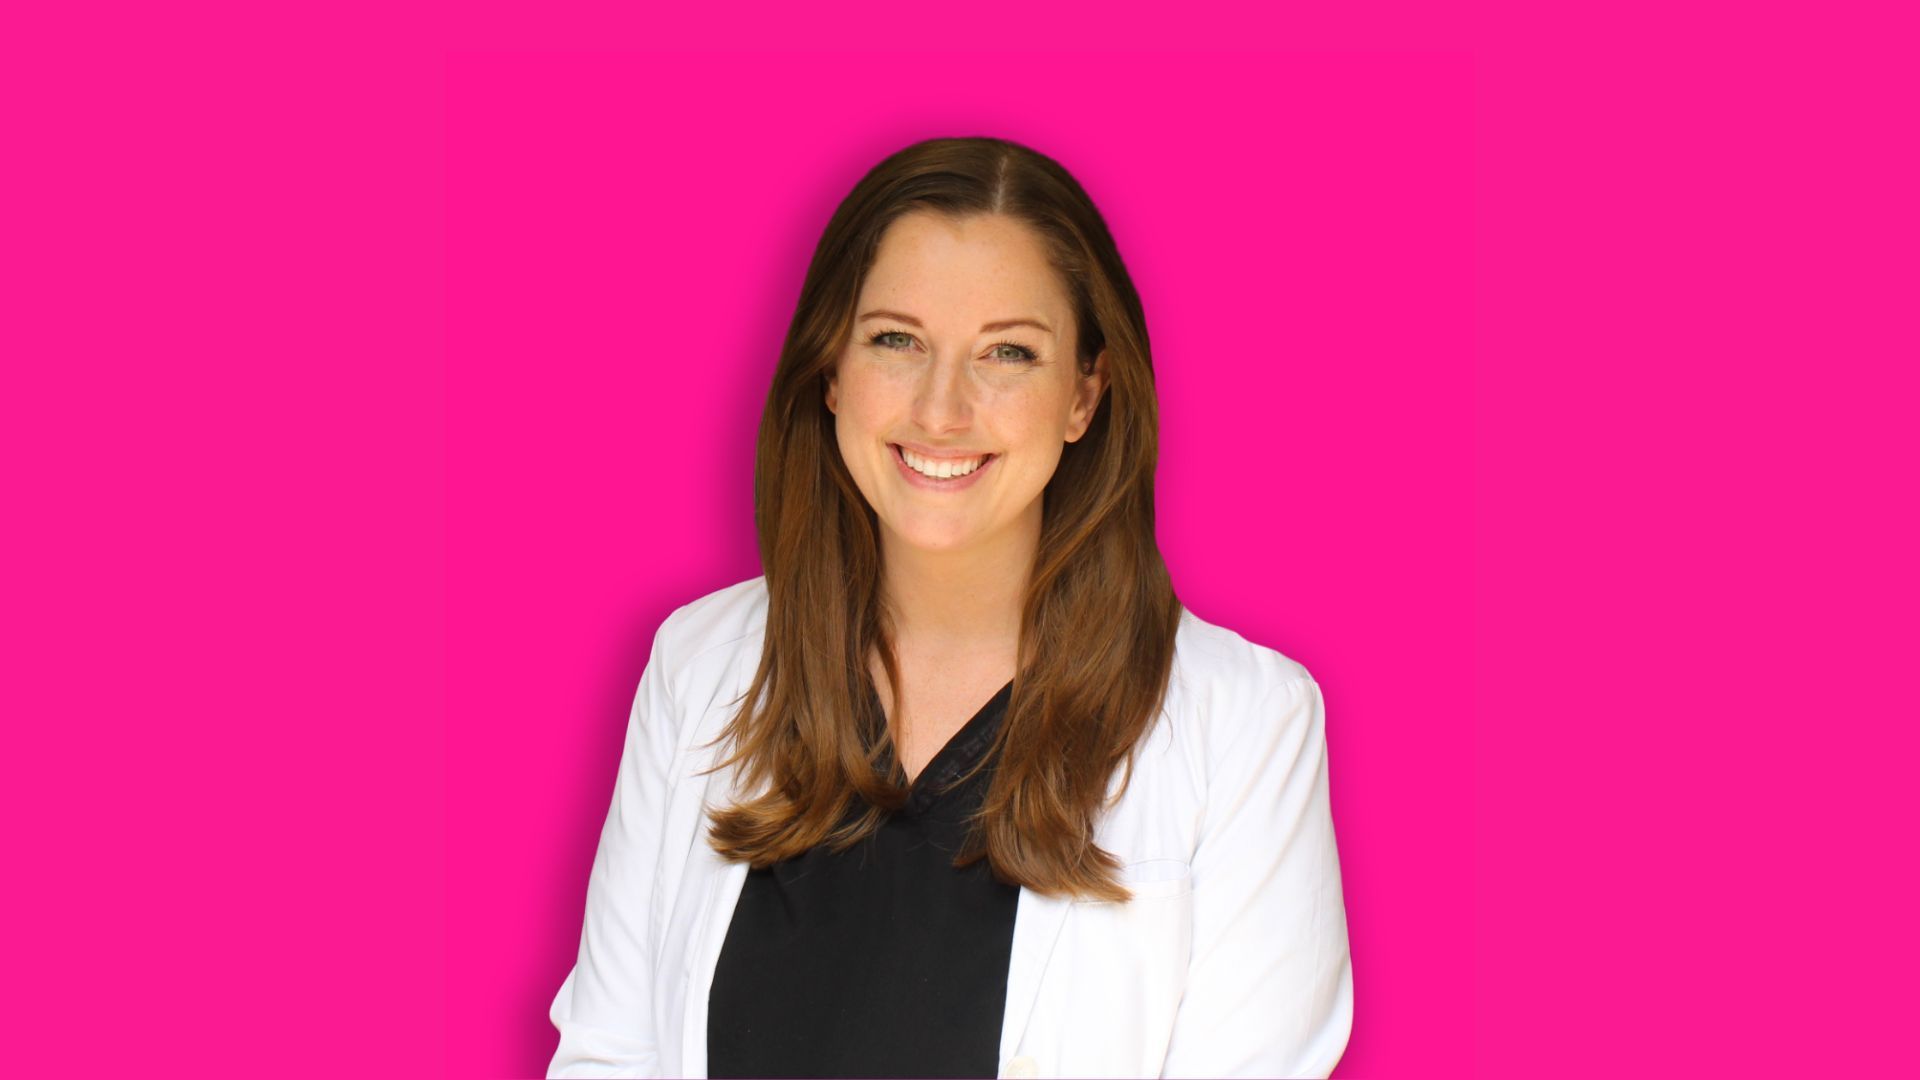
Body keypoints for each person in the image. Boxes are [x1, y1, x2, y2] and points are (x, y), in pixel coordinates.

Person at [545, 135, 1353, 1079]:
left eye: (1007, 353)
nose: (941, 410)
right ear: (831, 368)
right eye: (897, 340)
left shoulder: (1247, 727)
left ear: (1085, 393)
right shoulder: (695, 666)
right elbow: (610, 1056)